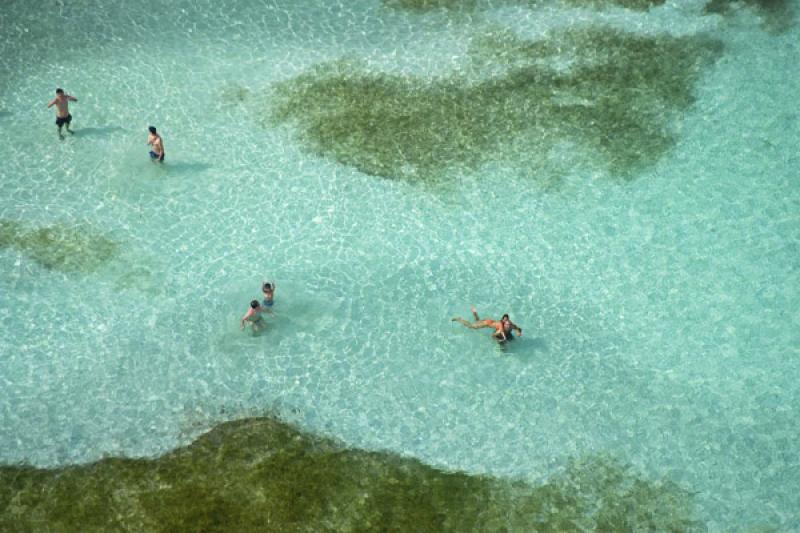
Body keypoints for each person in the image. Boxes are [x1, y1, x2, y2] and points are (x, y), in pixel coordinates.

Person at [452, 305, 522, 342]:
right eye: (507, 325)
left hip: (492, 322)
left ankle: (475, 313)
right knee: (472, 326)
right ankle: (459, 319)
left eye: (509, 324)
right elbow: (493, 336)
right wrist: (500, 340)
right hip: (488, 323)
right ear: (504, 324)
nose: (508, 326)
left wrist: (518, 332)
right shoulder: (501, 328)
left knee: (477, 321)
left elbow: (517, 328)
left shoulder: (511, 325)